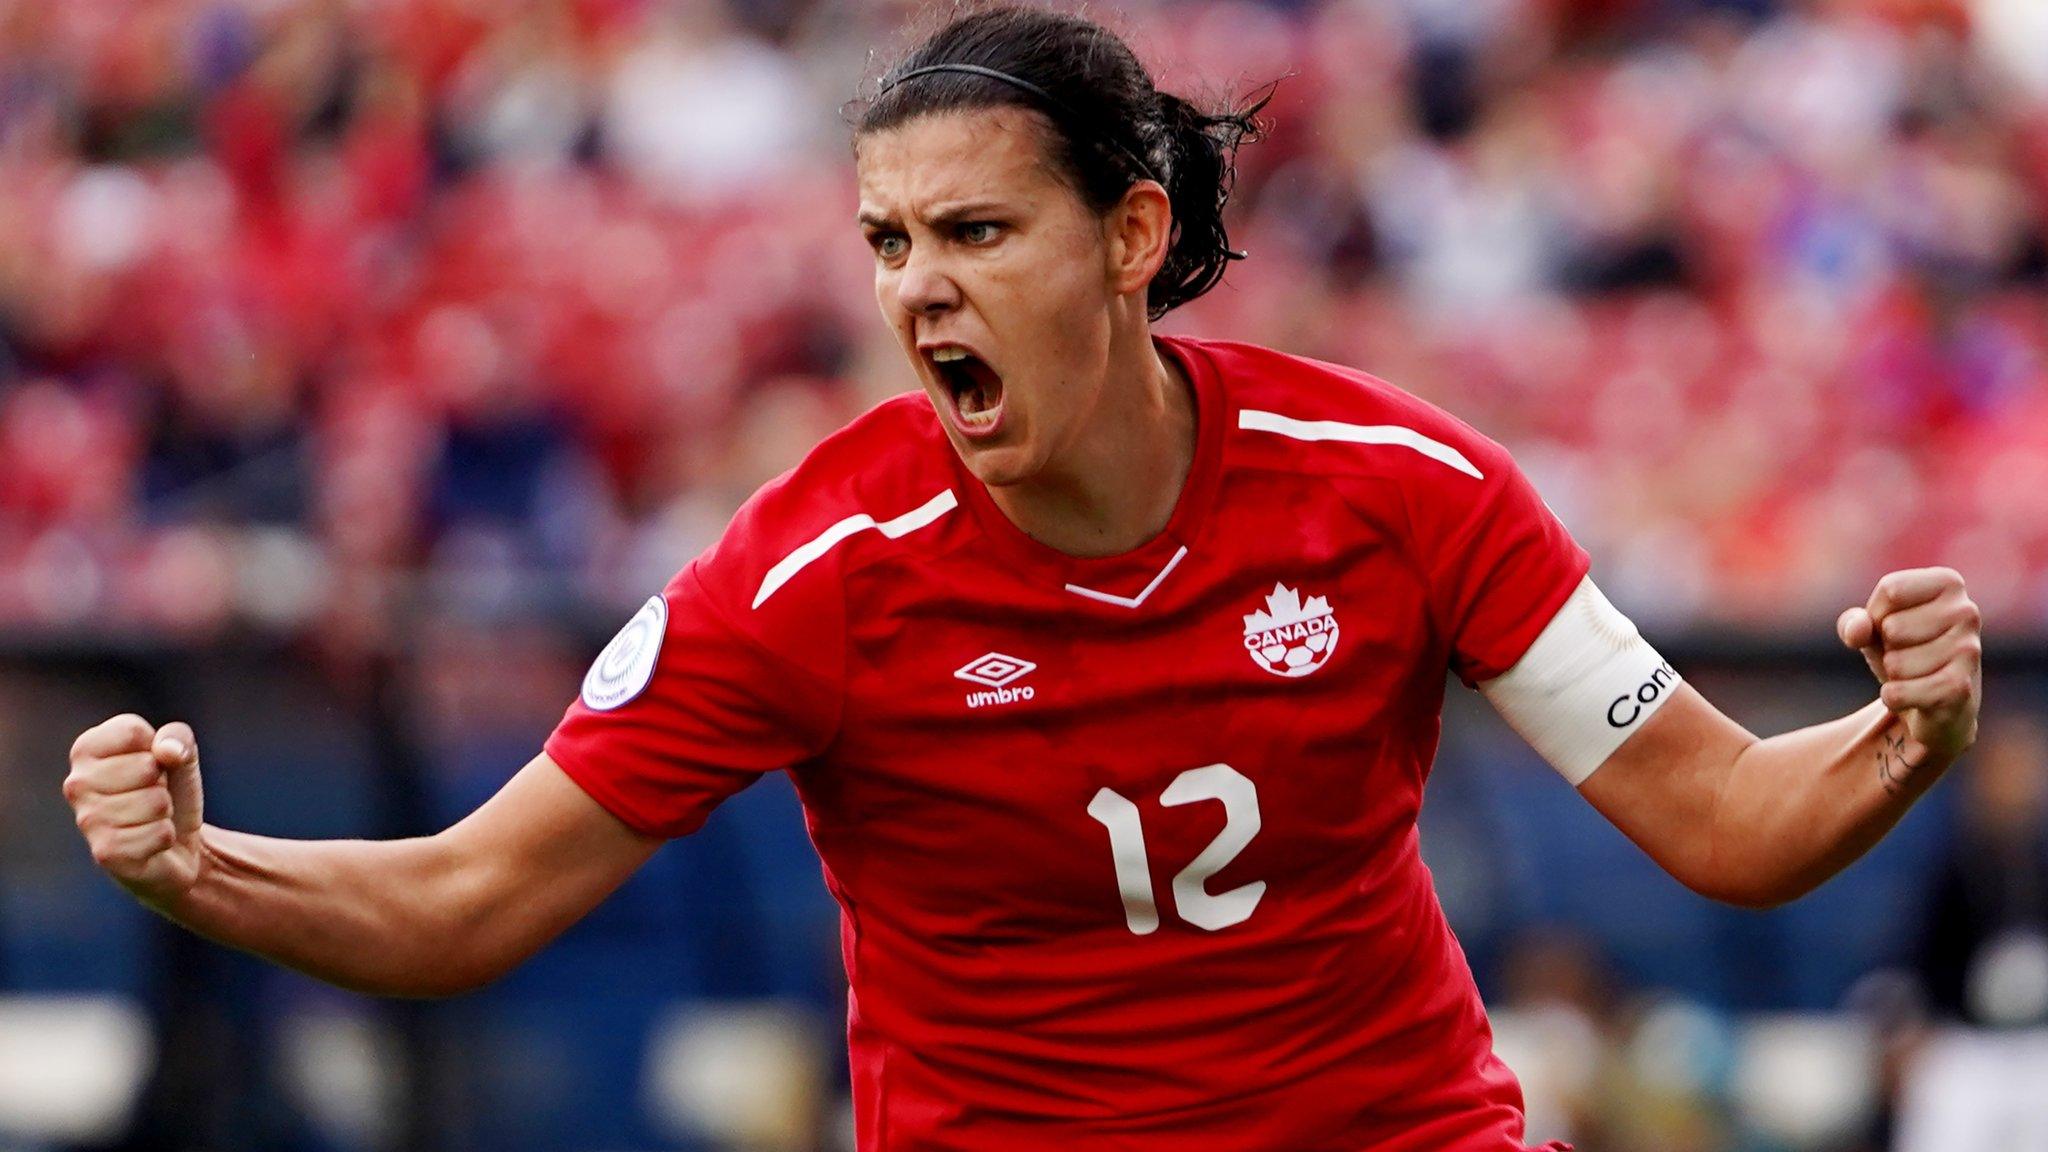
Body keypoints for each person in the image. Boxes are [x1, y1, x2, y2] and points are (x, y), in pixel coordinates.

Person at [60, 8, 1983, 1150]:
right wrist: (188, 870)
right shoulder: (805, 574)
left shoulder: (1394, 488)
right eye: (891, 240)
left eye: (977, 229)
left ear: (1134, 236)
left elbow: (1729, 823)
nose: (919, 287)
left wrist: (1904, 738)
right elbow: (465, 900)